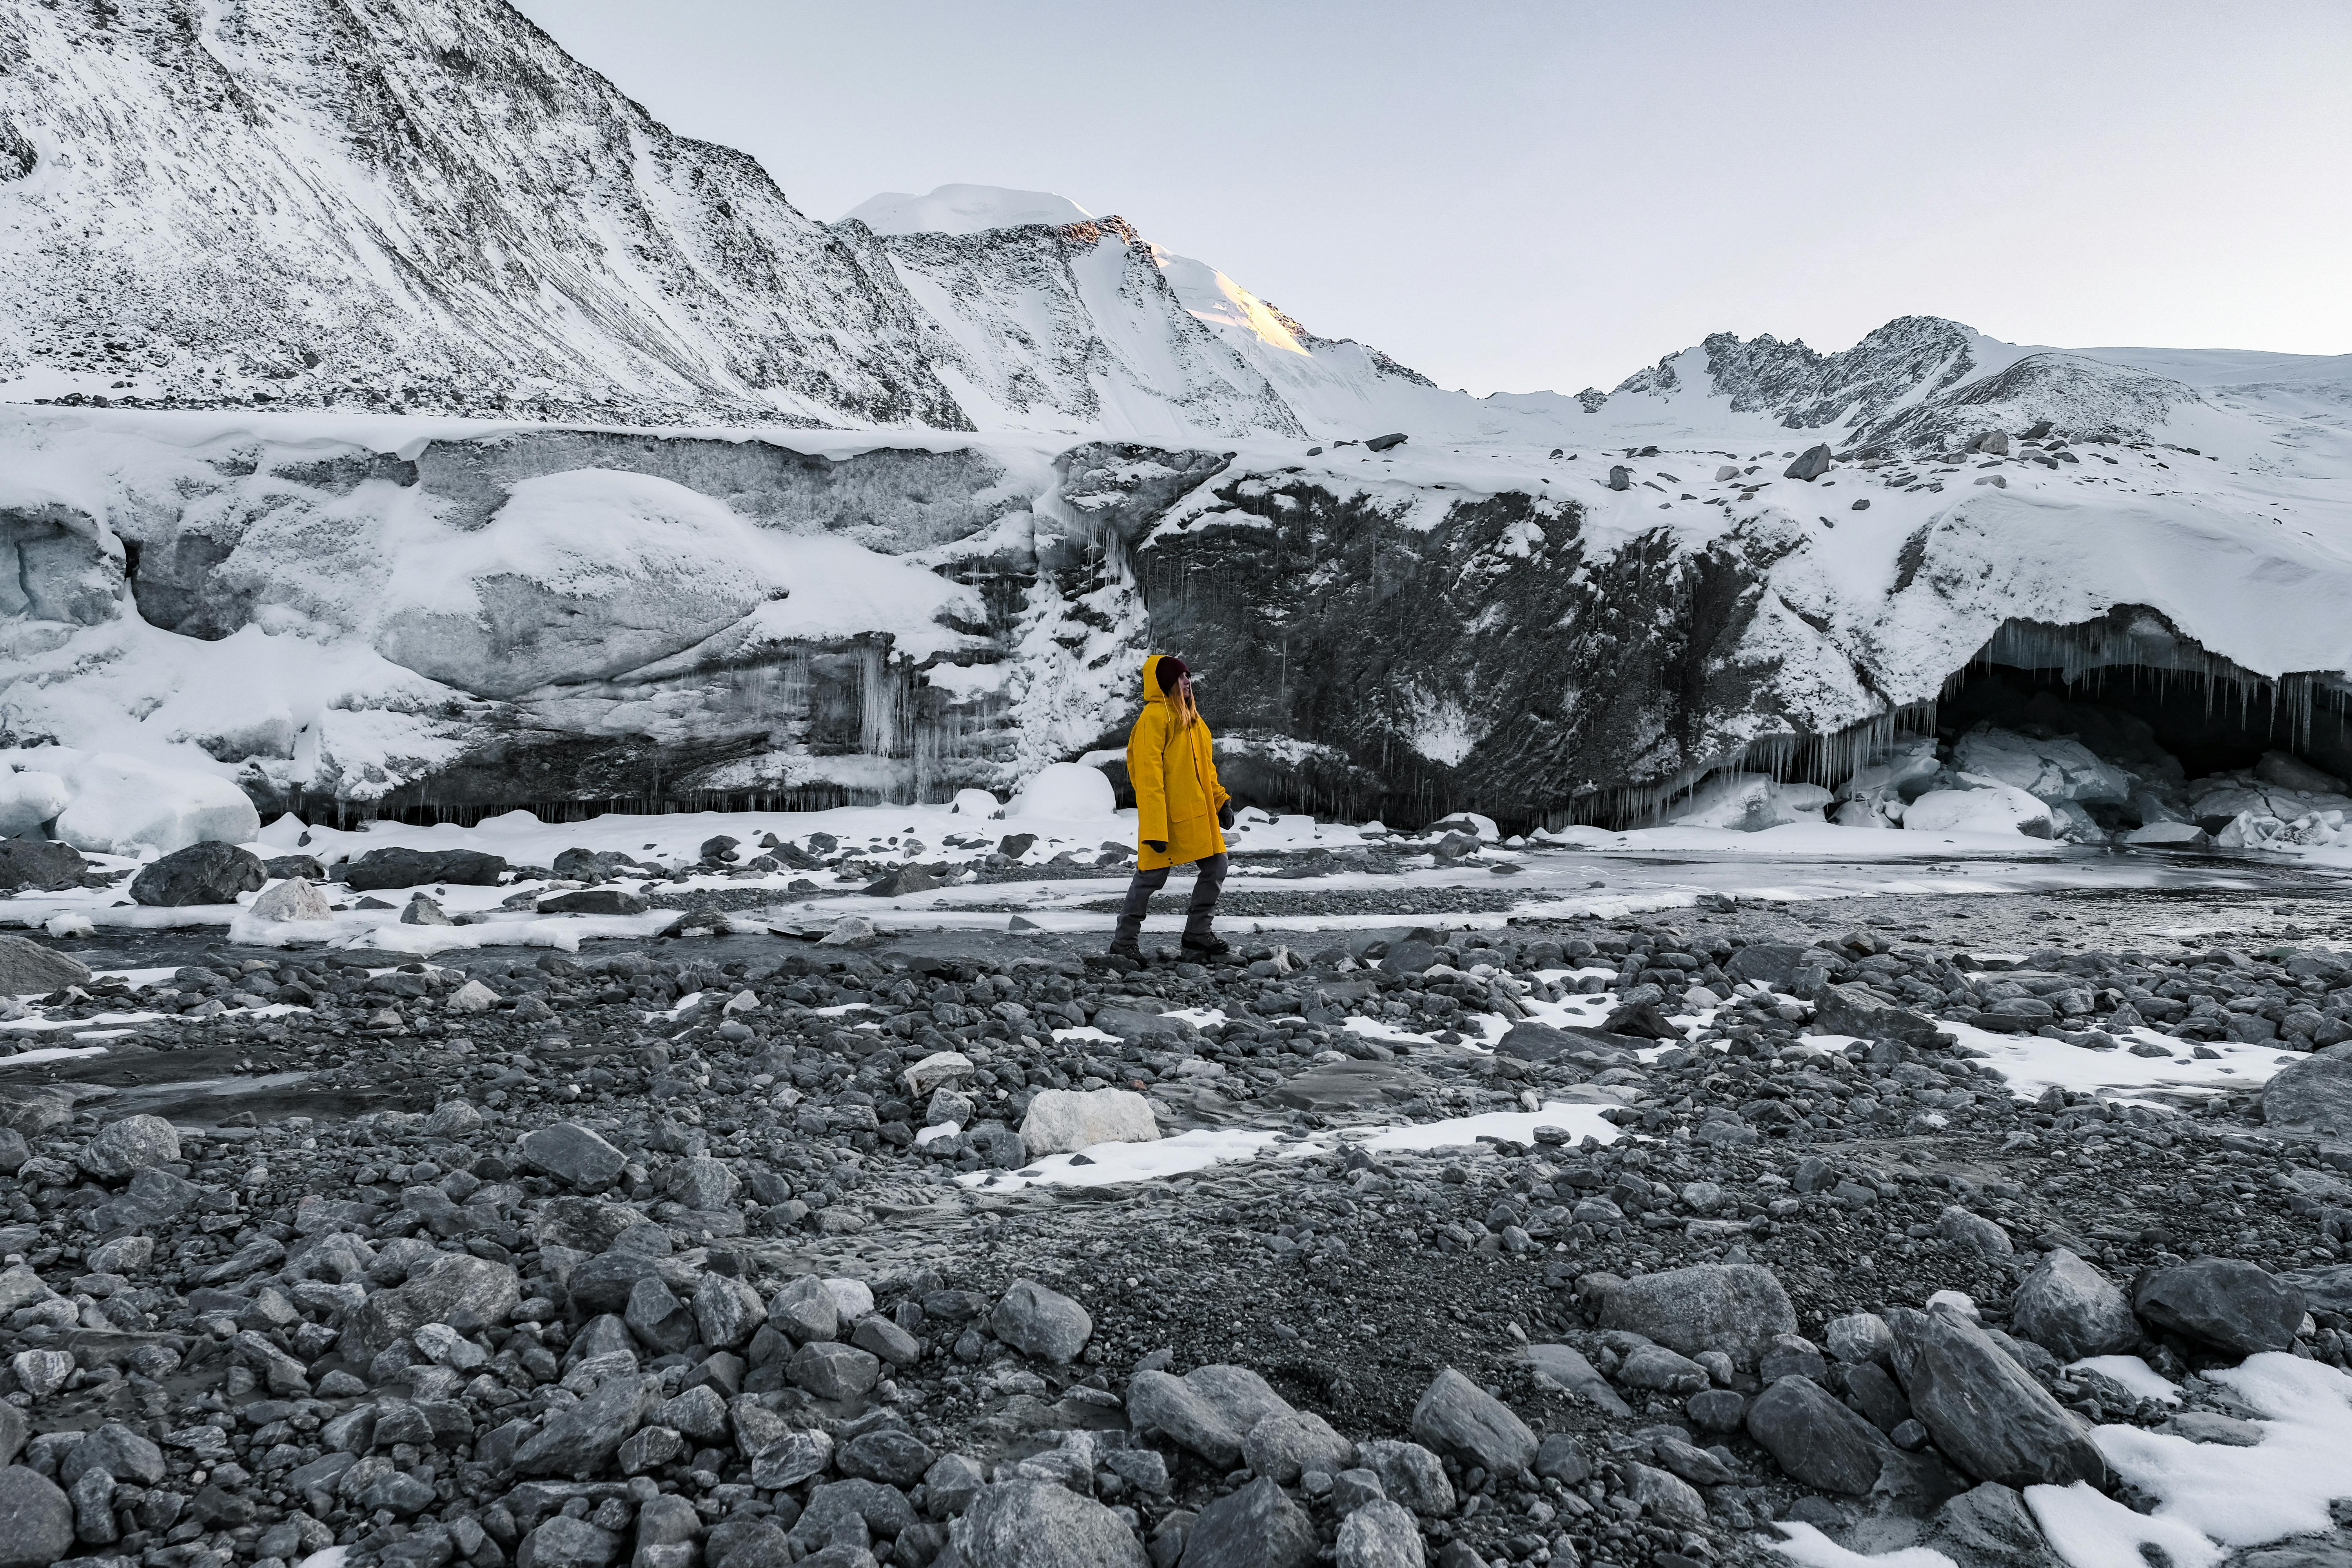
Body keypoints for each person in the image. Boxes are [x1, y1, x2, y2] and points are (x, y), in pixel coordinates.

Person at [1110, 653, 1234, 960]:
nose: (1187, 681)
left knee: (1217, 866)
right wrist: (1154, 826)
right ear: (1166, 682)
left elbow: (1206, 770)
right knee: (1151, 877)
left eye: (1188, 676)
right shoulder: (1153, 718)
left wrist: (1221, 801)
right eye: (1180, 677)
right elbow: (1147, 776)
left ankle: (1197, 935)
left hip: (1198, 816)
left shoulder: (1194, 719)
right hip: (1166, 819)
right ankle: (1124, 943)